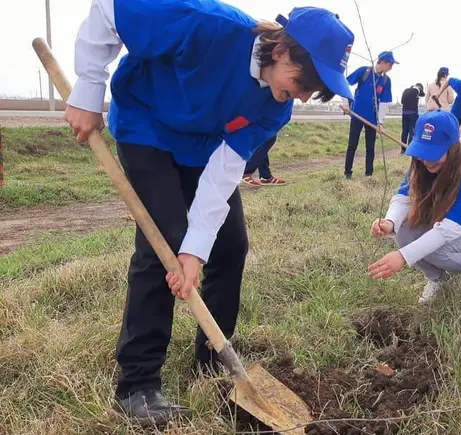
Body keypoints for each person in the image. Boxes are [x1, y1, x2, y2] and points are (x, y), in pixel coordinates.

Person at [65, 0, 354, 426]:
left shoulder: (275, 107)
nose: (304, 94)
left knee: (230, 244)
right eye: (304, 80)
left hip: (202, 150)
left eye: (317, 90)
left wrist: (196, 252)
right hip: (148, 129)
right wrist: (88, 91)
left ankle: (212, 359)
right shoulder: (205, 24)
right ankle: (137, 385)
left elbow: (223, 175)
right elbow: (111, 9)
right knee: (163, 242)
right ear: (281, 51)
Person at [368, 110, 461, 304]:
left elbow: (450, 229)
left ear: (452, 148)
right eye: (423, 153)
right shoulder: (422, 161)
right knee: (405, 231)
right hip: (452, 217)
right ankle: (437, 279)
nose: (427, 161)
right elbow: (404, 194)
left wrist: (403, 256)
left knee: (433, 249)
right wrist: (390, 221)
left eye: (434, 154)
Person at [341, 51, 397, 178]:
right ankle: (347, 173)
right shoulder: (364, 72)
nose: (390, 68)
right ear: (383, 62)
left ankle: (369, 174)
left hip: (372, 119)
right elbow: (344, 83)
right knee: (352, 145)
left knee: (370, 147)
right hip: (357, 114)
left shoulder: (386, 81)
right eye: (390, 65)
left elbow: (384, 103)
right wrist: (345, 103)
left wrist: (380, 122)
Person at [400, 83, 425, 152]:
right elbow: (423, 94)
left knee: (404, 131)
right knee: (412, 131)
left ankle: (403, 149)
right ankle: (409, 148)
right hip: (413, 114)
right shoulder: (417, 90)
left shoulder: (405, 90)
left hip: (404, 113)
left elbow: (402, 102)